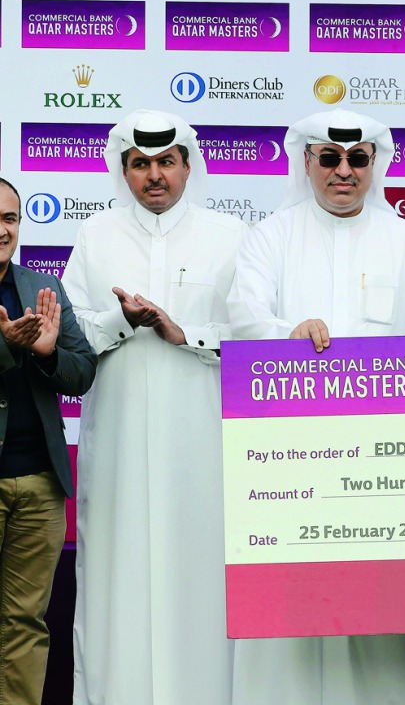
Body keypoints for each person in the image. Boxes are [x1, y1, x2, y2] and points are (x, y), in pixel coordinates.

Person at [227, 109, 405, 705]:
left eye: (357, 159)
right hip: (290, 465)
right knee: (291, 628)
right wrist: (287, 334)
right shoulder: (271, 235)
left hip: (388, 467)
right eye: (329, 157)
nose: (343, 171)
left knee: (389, 630)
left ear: (374, 163)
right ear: (307, 162)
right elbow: (243, 319)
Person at [64, 110, 245, 704]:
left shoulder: (230, 236)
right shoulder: (96, 236)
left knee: (202, 581)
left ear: (188, 166)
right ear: (125, 171)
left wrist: (182, 331)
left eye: (167, 161)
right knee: (118, 582)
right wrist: (123, 319)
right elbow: (68, 334)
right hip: (118, 446)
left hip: (203, 448)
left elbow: (254, 332)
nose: (155, 175)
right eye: (141, 164)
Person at [0, 178, 96, 704]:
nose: (2, 229)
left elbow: (82, 372)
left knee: (24, 623)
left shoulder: (44, 287)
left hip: (38, 483)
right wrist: (3, 347)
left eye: (10, 218)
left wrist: (46, 352)